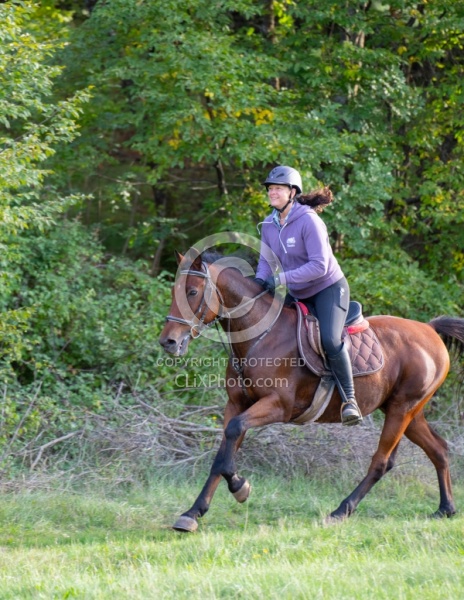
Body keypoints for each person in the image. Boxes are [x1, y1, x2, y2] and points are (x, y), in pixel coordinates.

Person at [255, 165, 363, 426]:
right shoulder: (269, 224)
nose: (272, 193)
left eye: (277, 189)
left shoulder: (309, 220)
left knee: (329, 339)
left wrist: (281, 279)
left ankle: (350, 400)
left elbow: (319, 266)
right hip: (299, 293)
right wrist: (257, 284)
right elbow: (265, 262)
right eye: (270, 189)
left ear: (293, 192)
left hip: (328, 289)